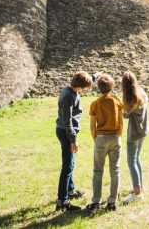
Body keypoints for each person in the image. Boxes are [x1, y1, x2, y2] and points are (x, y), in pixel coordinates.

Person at [55, 71, 94, 211]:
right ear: (78, 85)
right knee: (67, 166)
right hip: (66, 133)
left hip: (66, 132)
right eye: (83, 88)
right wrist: (73, 140)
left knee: (70, 163)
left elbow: (89, 78)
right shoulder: (68, 97)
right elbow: (67, 121)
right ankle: (62, 201)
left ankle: (70, 191)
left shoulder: (72, 88)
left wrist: (97, 75)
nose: (83, 91)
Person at [86, 73, 124, 212]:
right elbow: (120, 122)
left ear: (98, 87)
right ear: (112, 87)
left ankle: (96, 201)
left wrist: (95, 139)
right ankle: (112, 201)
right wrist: (118, 135)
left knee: (97, 171)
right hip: (115, 137)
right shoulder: (117, 102)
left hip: (101, 138)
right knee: (115, 170)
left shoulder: (95, 103)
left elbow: (92, 125)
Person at [121, 71, 149, 204]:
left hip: (134, 133)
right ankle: (139, 186)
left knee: (131, 161)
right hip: (143, 131)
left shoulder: (132, 99)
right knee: (137, 159)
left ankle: (137, 193)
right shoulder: (141, 92)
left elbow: (125, 115)